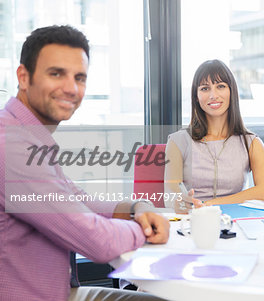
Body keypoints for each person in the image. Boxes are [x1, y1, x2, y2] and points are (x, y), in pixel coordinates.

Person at [0, 25, 169, 301]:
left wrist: (136, 208)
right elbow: (97, 242)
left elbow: (76, 199)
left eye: (79, 77)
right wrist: (144, 228)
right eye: (56, 74)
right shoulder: (12, 146)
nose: (71, 88)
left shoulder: (26, 134)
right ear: (23, 77)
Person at [165, 59, 264, 211]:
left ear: (232, 92)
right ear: (196, 96)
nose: (213, 95)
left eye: (220, 86)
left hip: (235, 223)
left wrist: (212, 203)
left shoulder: (252, 143)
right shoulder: (178, 142)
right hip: (193, 220)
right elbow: (170, 193)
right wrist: (182, 202)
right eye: (204, 88)